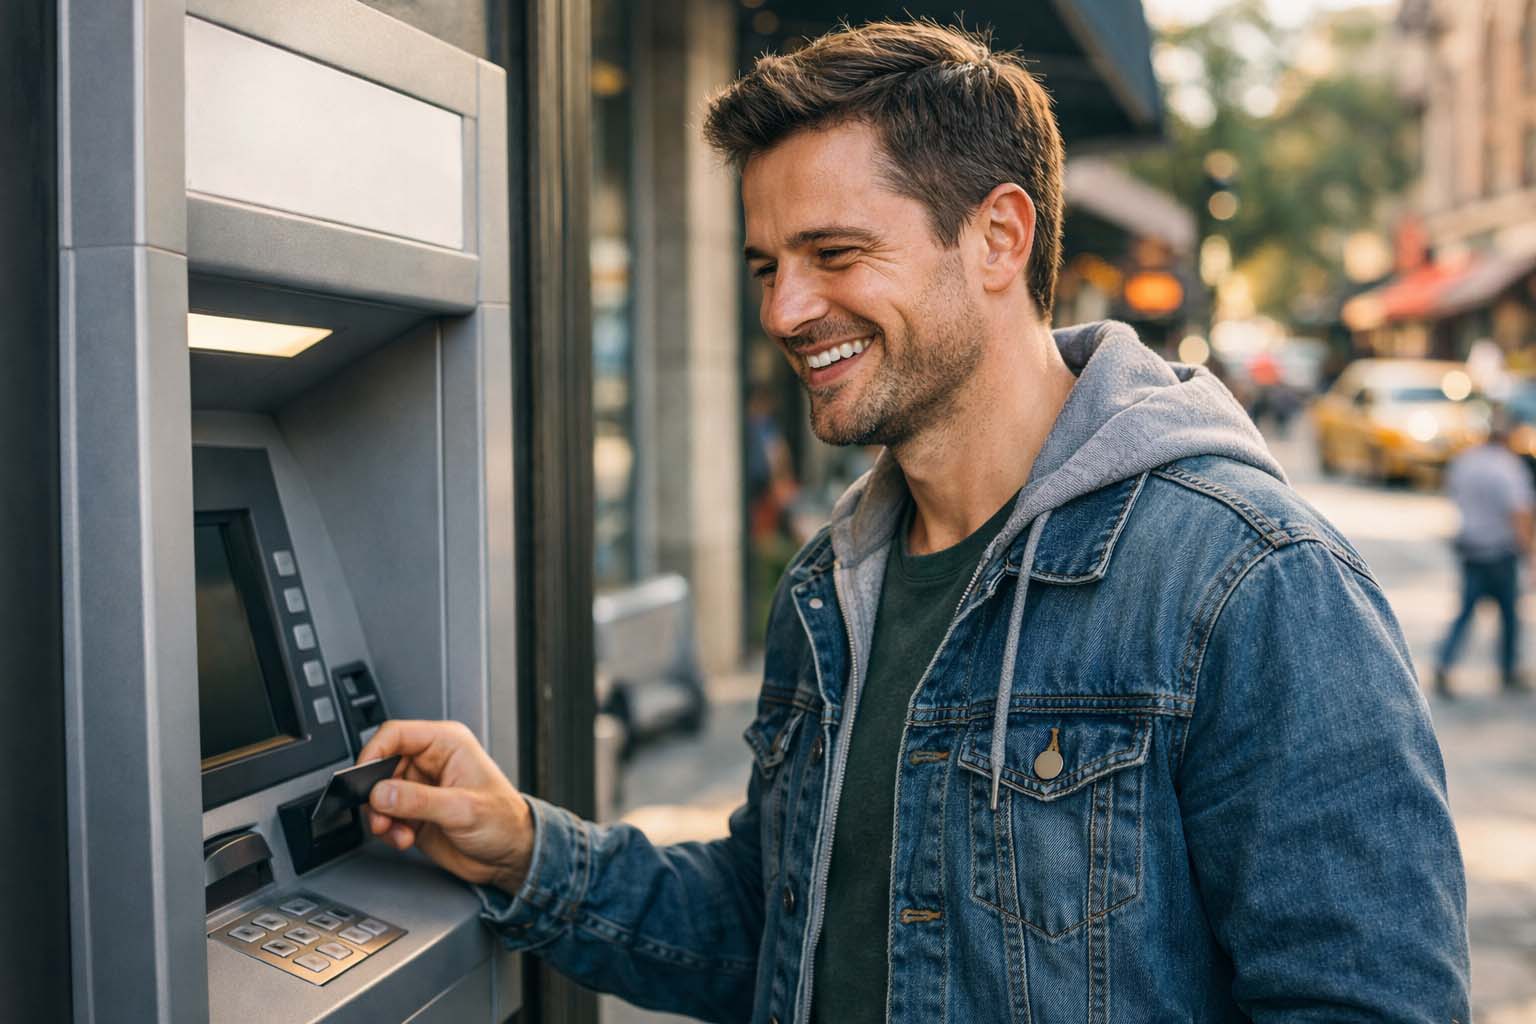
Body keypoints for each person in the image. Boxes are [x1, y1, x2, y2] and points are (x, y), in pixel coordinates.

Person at [360, 21, 1470, 1022]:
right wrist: (522, 852)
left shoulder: (1249, 581)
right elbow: (778, 923)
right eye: (767, 266)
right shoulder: (828, 588)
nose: (784, 311)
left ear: (999, 237)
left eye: (835, 256)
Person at [1434, 411, 1535, 697]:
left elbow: (1452, 494)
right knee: (1509, 616)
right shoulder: (1509, 468)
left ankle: (1445, 662)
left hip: (1471, 547)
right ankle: (1508, 670)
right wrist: (1530, 556)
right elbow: (1520, 514)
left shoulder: (1465, 462)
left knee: (1465, 611)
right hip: (1500, 551)